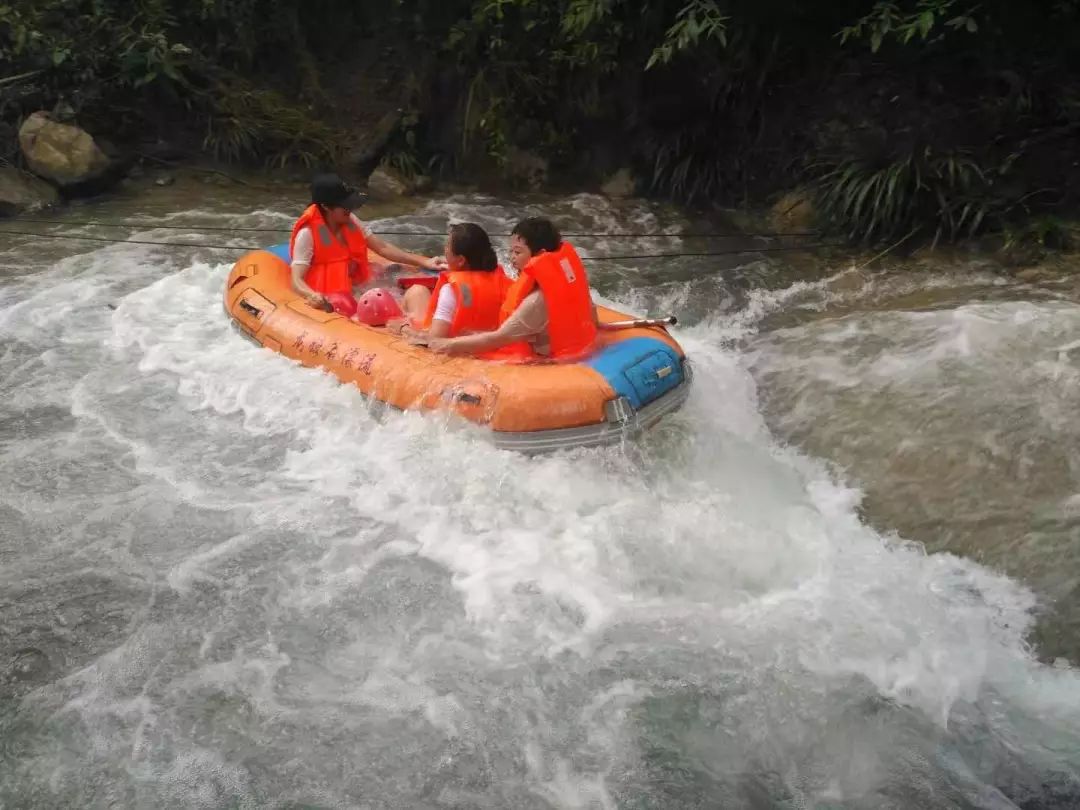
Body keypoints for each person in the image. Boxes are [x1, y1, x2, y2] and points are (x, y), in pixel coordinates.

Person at [414, 217, 600, 360]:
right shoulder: (569, 278)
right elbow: (592, 314)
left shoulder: (535, 302)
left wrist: (443, 344)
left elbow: (497, 339)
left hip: (547, 361)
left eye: (517, 252)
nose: (511, 258)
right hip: (576, 349)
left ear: (540, 255)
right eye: (511, 251)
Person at [289, 173, 445, 309]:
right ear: (326, 207)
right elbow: (296, 279)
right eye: (344, 205)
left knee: (401, 281)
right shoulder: (307, 234)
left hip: (358, 287)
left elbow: (382, 248)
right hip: (333, 296)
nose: (350, 209)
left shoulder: (350, 221)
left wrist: (423, 261)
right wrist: (312, 295)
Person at [390, 223, 511, 339]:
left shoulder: (450, 290)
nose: (445, 249)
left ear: (461, 260)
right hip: (493, 346)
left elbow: (434, 341)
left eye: (447, 246)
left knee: (417, 291)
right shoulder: (506, 283)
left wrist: (403, 328)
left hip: (454, 346)